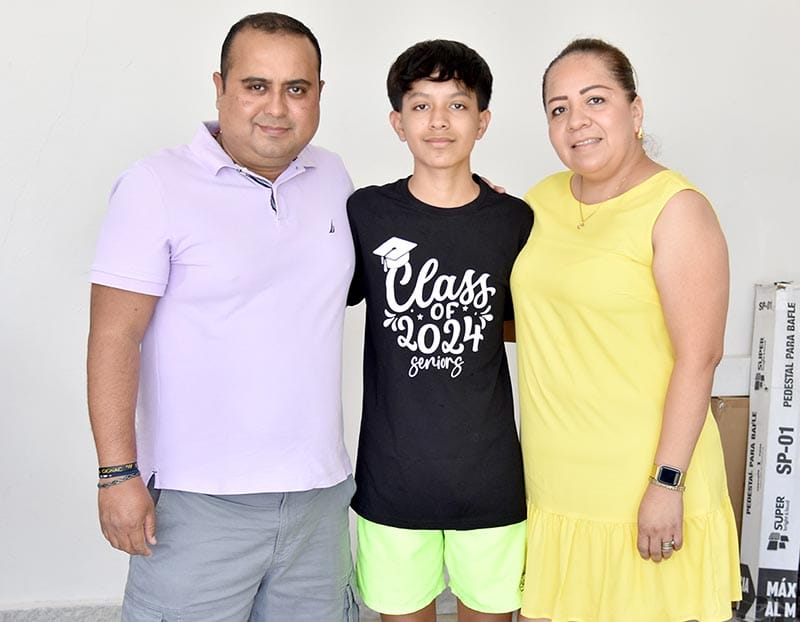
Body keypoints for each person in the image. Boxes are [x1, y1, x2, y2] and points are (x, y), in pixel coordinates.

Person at [87, 12, 358, 621]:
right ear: (220, 87)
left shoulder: (333, 176)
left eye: (296, 88)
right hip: (197, 504)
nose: (277, 108)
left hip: (318, 498)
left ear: (319, 93)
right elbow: (113, 336)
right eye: (256, 86)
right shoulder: (154, 185)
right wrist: (116, 474)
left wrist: (473, 202)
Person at [510, 38, 741, 621]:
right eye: (559, 108)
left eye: (595, 99)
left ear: (635, 111)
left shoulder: (677, 209)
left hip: (642, 485)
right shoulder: (539, 202)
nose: (576, 120)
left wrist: (668, 483)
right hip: (554, 485)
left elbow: (700, 357)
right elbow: (534, 316)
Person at [346, 40, 532, 622]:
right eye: (421, 105)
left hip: (491, 480)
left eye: (457, 104)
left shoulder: (515, 220)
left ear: (483, 120)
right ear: (397, 122)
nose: (439, 121)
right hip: (393, 477)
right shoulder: (365, 214)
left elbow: (522, 324)